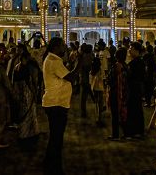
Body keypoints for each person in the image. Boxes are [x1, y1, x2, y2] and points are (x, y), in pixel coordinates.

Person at [42, 37, 80, 174]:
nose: (64, 48)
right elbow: (70, 77)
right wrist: (79, 63)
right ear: (56, 47)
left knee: (54, 136)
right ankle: (55, 167)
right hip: (56, 103)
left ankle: (49, 162)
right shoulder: (53, 61)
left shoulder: (53, 60)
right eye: (62, 45)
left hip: (55, 102)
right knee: (57, 138)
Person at [12, 43, 41, 145]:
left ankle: (22, 133)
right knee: (29, 113)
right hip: (27, 92)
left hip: (18, 92)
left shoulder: (16, 67)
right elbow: (31, 81)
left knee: (22, 112)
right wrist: (35, 92)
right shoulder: (28, 67)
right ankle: (29, 133)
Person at [125, 42, 146, 138]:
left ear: (137, 50)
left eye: (131, 48)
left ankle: (134, 131)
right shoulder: (137, 61)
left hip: (134, 88)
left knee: (134, 109)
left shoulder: (136, 63)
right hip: (136, 88)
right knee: (136, 109)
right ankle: (137, 130)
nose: (129, 50)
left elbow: (133, 76)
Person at [107, 48, 128, 141]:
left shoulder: (116, 66)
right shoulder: (126, 66)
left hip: (116, 91)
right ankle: (125, 133)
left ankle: (116, 134)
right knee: (123, 112)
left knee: (115, 113)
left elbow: (110, 79)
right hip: (124, 91)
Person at [89, 50, 106, 127]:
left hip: (94, 87)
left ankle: (97, 117)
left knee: (96, 103)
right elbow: (103, 78)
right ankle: (100, 118)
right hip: (100, 87)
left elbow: (91, 79)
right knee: (100, 103)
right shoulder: (100, 68)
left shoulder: (92, 70)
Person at [77, 44, 94, 118]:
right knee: (87, 94)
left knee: (84, 97)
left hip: (83, 78)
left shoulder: (82, 56)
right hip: (87, 78)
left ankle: (83, 111)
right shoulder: (88, 56)